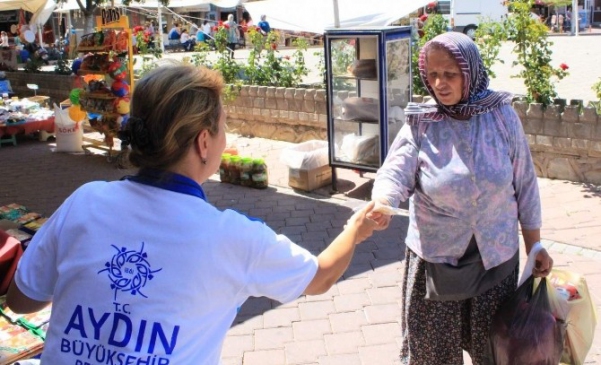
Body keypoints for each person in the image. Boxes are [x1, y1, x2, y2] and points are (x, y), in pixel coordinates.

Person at [6, 63, 377, 363]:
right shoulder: (232, 238)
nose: (224, 139)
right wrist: (355, 229)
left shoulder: (85, 201)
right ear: (203, 142)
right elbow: (321, 277)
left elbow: (21, 301)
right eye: (223, 128)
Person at [367, 32, 553, 364]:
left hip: (494, 258)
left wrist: (535, 246)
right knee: (431, 354)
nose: (439, 83)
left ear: (470, 72)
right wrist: (384, 200)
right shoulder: (422, 121)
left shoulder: (501, 116)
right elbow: (395, 170)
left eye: (450, 74)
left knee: (493, 350)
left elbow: (525, 183)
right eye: (433, 74)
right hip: (436, 260)